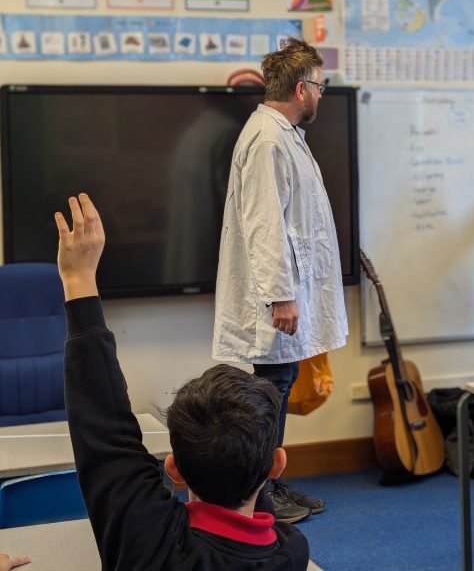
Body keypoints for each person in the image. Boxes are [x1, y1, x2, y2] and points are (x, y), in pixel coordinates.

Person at [55, 194, 310, 569]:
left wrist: (78, 279)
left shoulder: (148, 539)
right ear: (277, 464)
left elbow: (105, 430)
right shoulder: (291, 553)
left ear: (172, 469)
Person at [213, 38, 348, 521]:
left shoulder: (283, 133)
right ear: (299, 88)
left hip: (286, 292)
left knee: (280, 384)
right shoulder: (269, 138)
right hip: (274, 297)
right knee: (270, 392)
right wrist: (280, 296)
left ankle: (273, 483)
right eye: (319, 85)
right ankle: (263, 495)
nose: (321, 94)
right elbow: (266, 223)